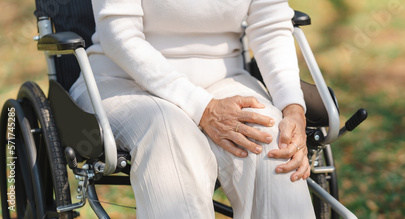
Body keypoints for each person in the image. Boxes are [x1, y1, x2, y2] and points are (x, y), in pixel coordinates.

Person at [70, 0, 316, 218]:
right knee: (169, 133)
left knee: (272, 138)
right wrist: (203, 108)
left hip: (222, 79)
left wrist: (293, 108)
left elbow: (270, 26)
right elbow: (119, 36)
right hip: (122, 80)